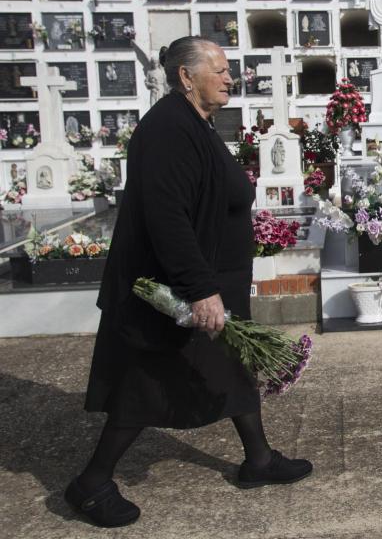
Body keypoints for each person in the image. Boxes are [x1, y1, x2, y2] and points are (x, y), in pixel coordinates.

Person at [64, 37, 312, 528]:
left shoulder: (193, 122)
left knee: (233, 367)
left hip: (215, 279)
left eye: (228, 70)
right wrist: (199, 289)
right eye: (218, 69)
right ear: (185, 76)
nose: (229, 77)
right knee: (149, 382)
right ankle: (91, 483)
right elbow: (167, 217)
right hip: (180, 289)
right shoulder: (167, 129)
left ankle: (259, 459)